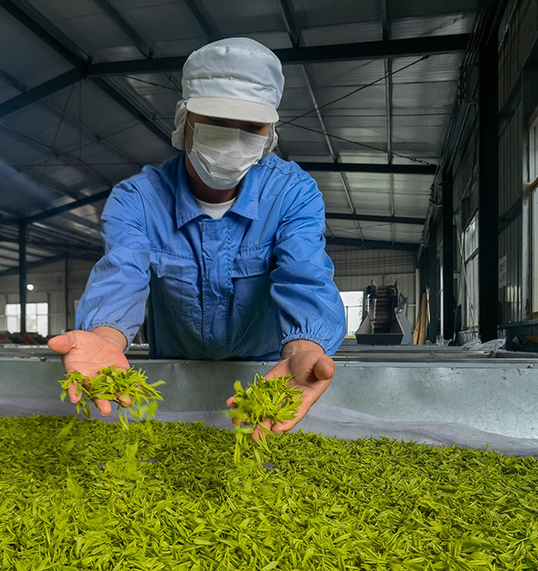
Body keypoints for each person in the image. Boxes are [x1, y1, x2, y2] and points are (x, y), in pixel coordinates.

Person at [48, 37, 347, 438]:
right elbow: (122, 274)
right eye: (217, 122)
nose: (234, 140)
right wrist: (105, 338)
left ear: (271, 133)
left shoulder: (292, 192)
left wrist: (304, 349)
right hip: (175, 378)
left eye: (252, 127)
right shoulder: (137, 200)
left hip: (268, 375)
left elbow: (305, 273)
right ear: (184, 119)